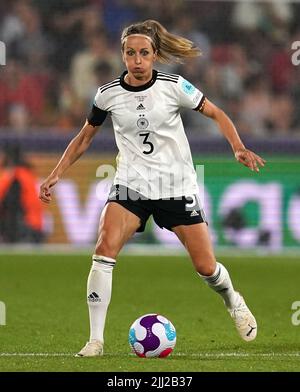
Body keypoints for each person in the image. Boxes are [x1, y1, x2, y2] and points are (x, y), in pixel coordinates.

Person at [39, 20, 266, 357]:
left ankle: (233, 300)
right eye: (130, 53)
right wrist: (57, 172)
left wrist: (237, 147)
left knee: (206, 267)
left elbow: (217, 113)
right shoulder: (107, 95)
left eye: (144, 53)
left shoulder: (175, 86)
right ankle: (95, 340)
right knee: (103, 249)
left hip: (175, 186)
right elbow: (85, 137)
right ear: (123, 56)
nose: (137, 60)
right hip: (132, 185)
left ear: (155, 55)